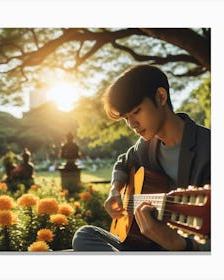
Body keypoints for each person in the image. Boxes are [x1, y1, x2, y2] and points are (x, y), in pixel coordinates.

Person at [72, 64, 210, 251]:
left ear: (161, 97)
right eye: (126, 118)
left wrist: (180, 245)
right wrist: (115, 189)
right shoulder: (146, 146)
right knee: (85, 234)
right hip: (147, 245)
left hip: (183, 251)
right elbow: (123, 162)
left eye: (136, 111)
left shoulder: (208, 148)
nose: (132, 124)